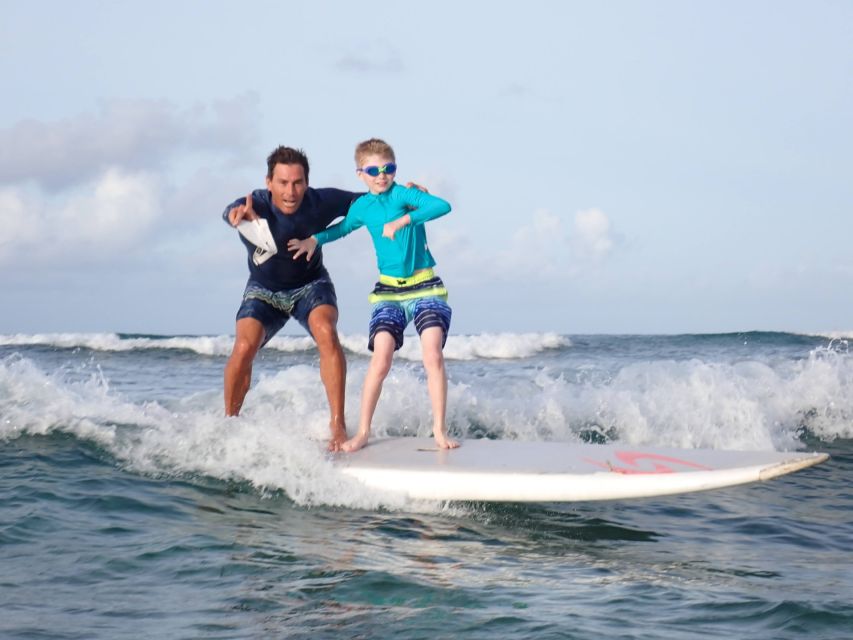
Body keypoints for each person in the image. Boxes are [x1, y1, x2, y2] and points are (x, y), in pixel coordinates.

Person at [288, 138, 459, 452]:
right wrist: (314, 240)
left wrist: (404, 218)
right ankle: (363, 432)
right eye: (373, 170)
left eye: (388, 168)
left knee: (432, 355)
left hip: (426, 287)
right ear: (360, 174)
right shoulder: (362, 206)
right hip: (388, 292)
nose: (381, 175)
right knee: (380, 360)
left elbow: (442, 206)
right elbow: (342, 229)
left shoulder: (404, 195)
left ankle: (439, 430)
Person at [222, 146, 357, 451]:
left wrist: (408, 195)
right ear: (269, 182)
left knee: (326, 332)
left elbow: (374, 201)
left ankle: (337, 425)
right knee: (243, 347)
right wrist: (235, 215)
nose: (291, 191)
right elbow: (231, 210)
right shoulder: (255, 202)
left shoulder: (321, 201)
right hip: (263, 289)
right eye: (283, 183)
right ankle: (229, 422)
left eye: (297, 182)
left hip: (311, 285)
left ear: (306, 183)